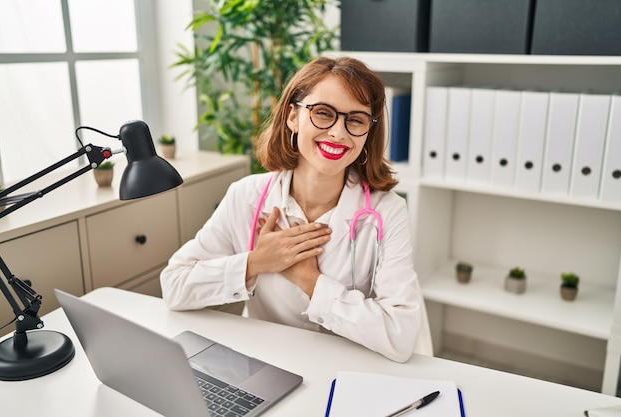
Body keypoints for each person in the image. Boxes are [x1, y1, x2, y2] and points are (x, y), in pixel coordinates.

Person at [160, 56, 432, 362]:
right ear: (293, 117)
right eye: (323, 113)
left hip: (350, 369)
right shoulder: (246, 196)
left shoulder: (387, 212)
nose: (338, 133)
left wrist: (310, 280)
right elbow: (174, 286)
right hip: (269, 364)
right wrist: (256, 262)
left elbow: (400, 335)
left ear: (368, 132)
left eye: (355, 119)